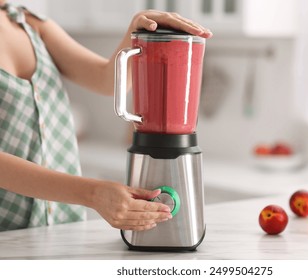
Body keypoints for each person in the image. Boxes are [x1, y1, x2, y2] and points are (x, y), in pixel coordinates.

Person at [0, 1, 212, 232]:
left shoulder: (29, 23)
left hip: (59, 226)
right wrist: (93, 193)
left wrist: (137, 30)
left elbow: (106, 80)